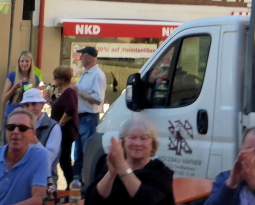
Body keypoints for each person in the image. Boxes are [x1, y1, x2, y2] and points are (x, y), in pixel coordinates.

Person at [84, 118, 174, 205]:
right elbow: (91, 201)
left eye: (143, 138)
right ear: (123, 142)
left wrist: (122, 166)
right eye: (132, 138)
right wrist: (111, 173)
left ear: (152, 144)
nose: (137, 143)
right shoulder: (112, 166)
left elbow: (146, 200)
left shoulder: (160, 172)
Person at [0, 108, 48, 205]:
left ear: (33, 134)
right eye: (11, 127)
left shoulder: (40, 156)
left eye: (22, 128)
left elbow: (38, 200)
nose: (15, 131)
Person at [73, 46, 106, 178]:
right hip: (80, 118)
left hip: (89, 118)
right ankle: (77, 183)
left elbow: (98, 99)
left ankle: (86, 183)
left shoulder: (97, 75)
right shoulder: (85, 73)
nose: (80, 58)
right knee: (78, 155)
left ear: (89, 57)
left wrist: (80, 93)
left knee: (86, 154)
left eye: (82, 55)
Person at [44, 65, 79, 188]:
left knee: (64, 161)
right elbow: (63, 108)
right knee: (64, 160)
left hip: (66, 132)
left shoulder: (69, 92)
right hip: (64, 131)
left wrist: (60, 124)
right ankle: (71, 186)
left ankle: (72, 186)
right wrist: (51, 102)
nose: (54, 80)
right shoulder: (66, 92)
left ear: (62, 79)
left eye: (56, 77)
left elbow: (70, 110)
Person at [21, 87, 61, 179]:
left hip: (45, 179)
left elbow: (48, 160)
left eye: (34, 104)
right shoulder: (20, 125)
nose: (30, 108)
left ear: (42, 105)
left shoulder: (53, 127)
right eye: (27, 105)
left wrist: (33, 138)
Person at [1, 52, 39, 135]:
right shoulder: (12, 76)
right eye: (22, 61)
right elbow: (4, 99)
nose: (24, 64)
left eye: (27, 61)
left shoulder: (35, 79)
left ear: (31, 63)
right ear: (18, 63)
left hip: (27, 118)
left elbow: (37, 100)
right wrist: (14, 88)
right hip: (12, 116)